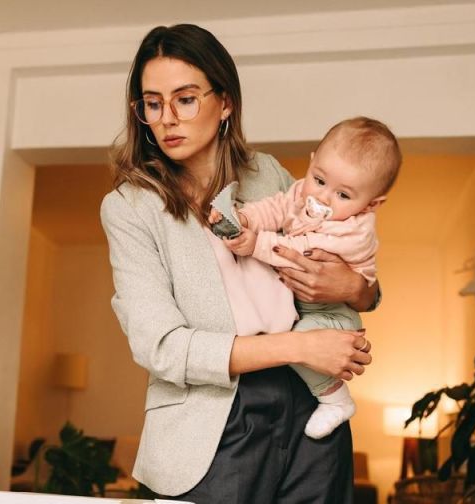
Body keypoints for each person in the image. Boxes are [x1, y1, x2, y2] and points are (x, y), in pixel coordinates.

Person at [100, 24, 378, 503]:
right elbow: (162, 348)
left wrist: (354, 288)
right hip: (211, 427)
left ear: (224, 102)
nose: (167, 119)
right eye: (152, 103)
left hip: (309, 406)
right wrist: (300, 346)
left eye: (186, 99)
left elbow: (351, 270)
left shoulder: (267, 172)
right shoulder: (129, 208)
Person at [209, 116, 401, 441]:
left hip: (332, 315)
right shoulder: (302, 191)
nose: (323, 197)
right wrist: (246, 218)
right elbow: (277, 207)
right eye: (319, 180)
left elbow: (300, 252)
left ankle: (336, 400)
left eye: (343, 195)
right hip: (298, 304)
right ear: (312, 163)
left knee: (302, 337)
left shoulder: (356, 231)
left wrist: (256, 244)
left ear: (372, 204)